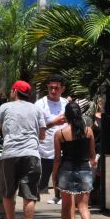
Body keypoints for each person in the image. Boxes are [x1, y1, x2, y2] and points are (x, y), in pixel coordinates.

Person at [0, 81, 46, 219]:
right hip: (32, 156)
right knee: (29, 195)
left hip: (10, 155)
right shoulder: (36, 109)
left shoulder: (5, 108)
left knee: (8, 193)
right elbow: (42, 135)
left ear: (14, 91)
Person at [53, 102, 98, 219]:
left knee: (66, 207)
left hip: (66, 170)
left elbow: (57, 159)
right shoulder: (88, 132)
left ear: (66, 116)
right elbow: (92, 156)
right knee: (83, 206)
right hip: (84, 169)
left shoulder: (60, 134)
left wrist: (54, 175)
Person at [35, 75, 68, 205]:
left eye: (56, 88)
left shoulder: (66, 103)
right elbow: (36, 127)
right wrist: (53, 123)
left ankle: (58, 196)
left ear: (63, 89)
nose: (53, 91)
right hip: (44, 148)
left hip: (63, 146)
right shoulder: (39, 104)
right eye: (51, 88)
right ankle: (33, 197)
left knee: (61, 173)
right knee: (42, 179)